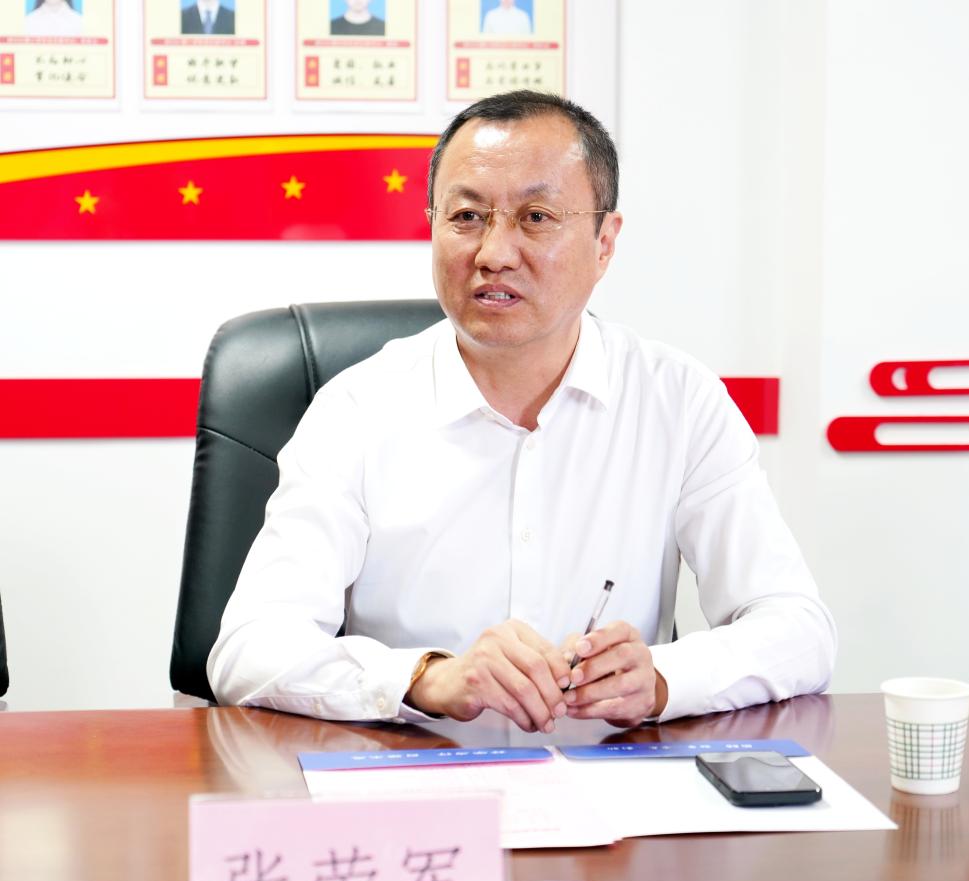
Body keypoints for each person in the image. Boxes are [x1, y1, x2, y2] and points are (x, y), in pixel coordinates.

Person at [209, 90, 836, 732]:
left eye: (536, 217)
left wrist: (663, 679)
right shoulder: (356, 409)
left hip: (614, 781)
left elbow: (798, 629)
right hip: (417, 774)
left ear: (605, 242)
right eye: (466, 216)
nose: (494, 254)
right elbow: (249, 649)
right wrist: (426, 677)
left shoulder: (678, 401)